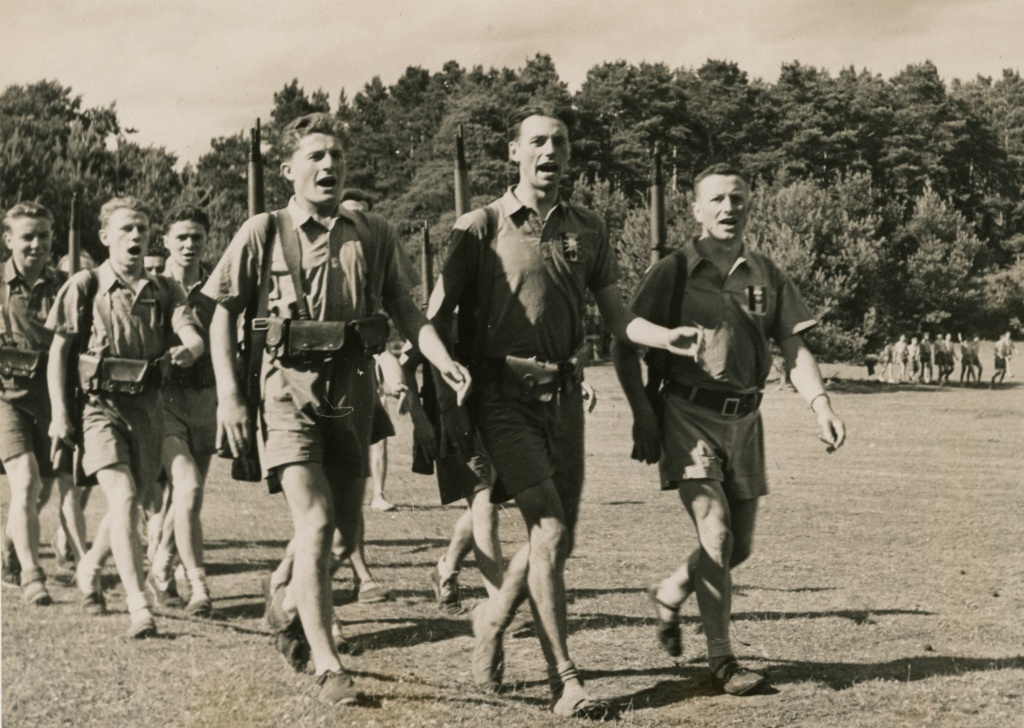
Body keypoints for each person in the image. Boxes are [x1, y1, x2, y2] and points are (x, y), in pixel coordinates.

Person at [427, 104, 701, 719]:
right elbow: (435, 318)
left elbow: (619, 316)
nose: (550, 152)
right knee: (547, 529)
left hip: (565, 399)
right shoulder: (481, 225)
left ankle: (492, 616)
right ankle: (565, 678)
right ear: (514, 154)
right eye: (538, 142)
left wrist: (665, 338)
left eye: (561, 143)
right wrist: (447, 401)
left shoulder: (589, 228)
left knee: (558, 538)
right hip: (501, 399)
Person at [204, 113, 470, 704]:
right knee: (317, 523)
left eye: (337, 158)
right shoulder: (262, 231)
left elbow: (406, 308)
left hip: (354, 394)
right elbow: (223, 310)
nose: (328, 166)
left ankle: (285, 597)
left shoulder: (373, 231)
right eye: (316, 156)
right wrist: (228, 393)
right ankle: (329, 666)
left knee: (344, 536)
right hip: (286, 395)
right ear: (289, 168)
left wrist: (439, 357)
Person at [613, 163, 846, 697]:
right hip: (686, 414)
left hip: (747, 419)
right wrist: (641, 415)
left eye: (737, 198)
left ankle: (671, 589)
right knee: (715, 533)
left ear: (749, 205)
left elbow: (794, 347)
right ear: (695, 209)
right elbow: (623, 344)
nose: (727, 208)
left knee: (736, 548)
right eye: (716, 199)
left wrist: (820, 404)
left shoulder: (766, 272)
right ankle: (722, 662)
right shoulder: (673, 270)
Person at [47, 196, 204, 639]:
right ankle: (140, 607)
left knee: (131, 503)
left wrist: (189, 347)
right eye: (126, 229)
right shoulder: (85, 284)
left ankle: (91, 566)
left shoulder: (164, 289)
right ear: (105, 237)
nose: (136, 237)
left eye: (142, 229)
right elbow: (60, 351)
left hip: (148, 411)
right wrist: (61, 414)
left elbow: (192, 334)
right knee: (122, 497)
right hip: (99, 409)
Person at [0, 202, 85, 605]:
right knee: (27, 481)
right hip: (6, 399)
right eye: (27, 236)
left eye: (44, 236)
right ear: (8, 239)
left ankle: (9, 547)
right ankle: (33, 575)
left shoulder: (66, 285)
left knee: (41, 493)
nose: (36, 244)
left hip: (52, 400)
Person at [144, 206, 218, 617]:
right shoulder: (154, 283)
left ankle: (162, 568)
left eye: (197, 238)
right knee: (184, 489)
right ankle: (196, 583)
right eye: (182, 238)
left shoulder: (217, 284)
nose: (190, 245)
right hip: (164, 401)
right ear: (167, 241)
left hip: (206, 400)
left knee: (189, 498)